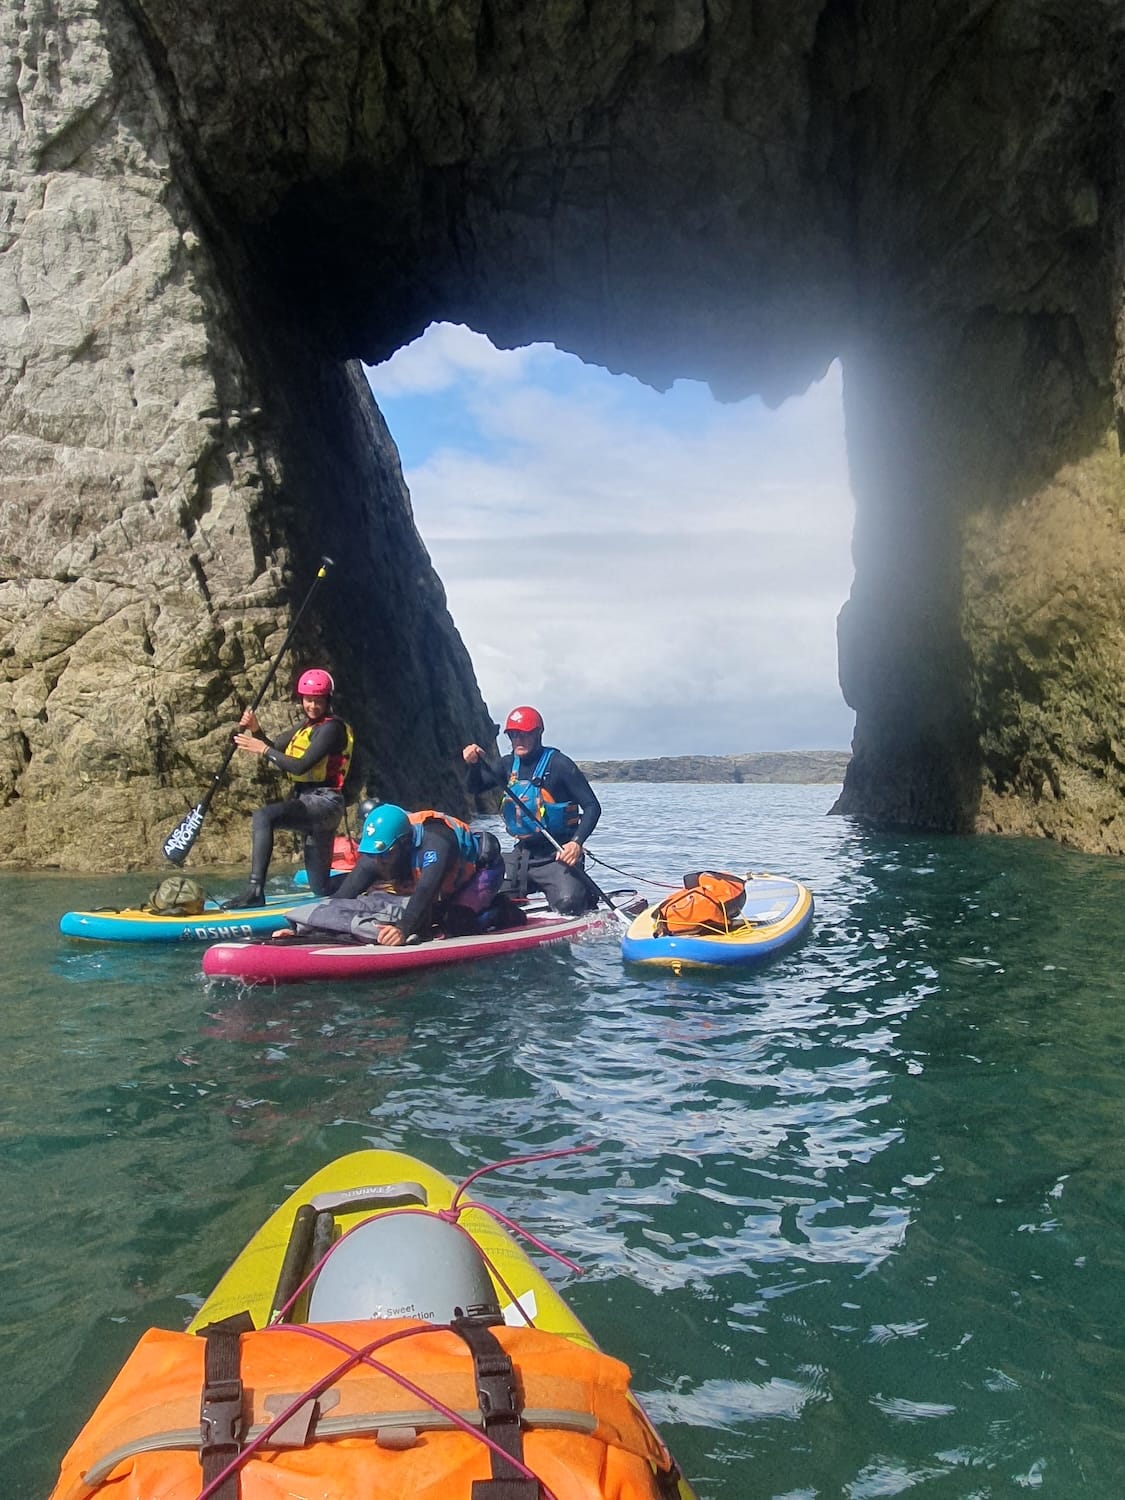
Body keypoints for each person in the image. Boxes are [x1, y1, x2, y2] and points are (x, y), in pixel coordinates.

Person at [283, 803, 512, 944]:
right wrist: (306, 930)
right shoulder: (377, 855)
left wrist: (402, 930)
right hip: (440, 883)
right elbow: (341, 898)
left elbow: (425, 892)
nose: (379, 862)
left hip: (484, 871)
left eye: (386, 855)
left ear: (404, 844)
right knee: (425, 914)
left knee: (454, 922)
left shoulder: (435, 843)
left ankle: (498, 909)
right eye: (374, 855)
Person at [222, 667, 353, 907]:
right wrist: (255, 729)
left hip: (325, 802)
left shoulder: (332, 729)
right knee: (321, 887)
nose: (312, 705)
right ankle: (373, 877)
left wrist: (262, 749)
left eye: (318, 700)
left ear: (328, 700)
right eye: (308, 700)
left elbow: (299, 766)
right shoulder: (305, 727)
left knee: (264, 816)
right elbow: (274, 747)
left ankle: (255, 889)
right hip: (310, 804)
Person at [462, 705, 601, 915]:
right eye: (513, 735)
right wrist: (473, 766)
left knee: (569, 904)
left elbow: (592, 807)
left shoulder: (560, 765)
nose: (518, 740)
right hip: (522, 855)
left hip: (557, 855)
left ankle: (583, 893)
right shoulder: (507, 765)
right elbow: (474, 788)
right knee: (481, 895)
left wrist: (576, 843)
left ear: (538, 734)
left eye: (524, 735)